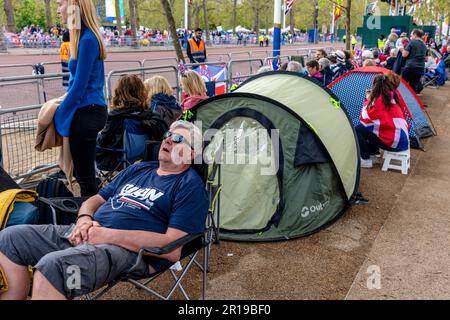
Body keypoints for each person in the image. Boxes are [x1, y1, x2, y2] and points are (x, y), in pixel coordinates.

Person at [0, 121, 208, 300]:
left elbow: (172, 248)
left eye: (178, 139)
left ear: (190, 154)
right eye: (168, 135)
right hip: (85, 232)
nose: (168, 140)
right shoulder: (138, 169)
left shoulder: (189, 186)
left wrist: (106, 235)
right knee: (9, 239)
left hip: (130, 253)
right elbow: (95, 199)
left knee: (53, 267)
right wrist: (83, 219)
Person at [54, 0, 108, 197]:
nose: (58, 9)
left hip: (88, 111)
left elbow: (78, 87)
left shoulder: (87, 40)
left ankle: (89, 220)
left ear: (73, 7)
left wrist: (59, 113)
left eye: (60, 4)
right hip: (88, 109)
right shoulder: (83, 37)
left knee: (85, 178)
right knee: (83, 174)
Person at [96, 75, 167, 171]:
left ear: (119, 92)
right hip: (146, 159)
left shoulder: (116, 117)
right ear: (141, 92)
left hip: (118, 161)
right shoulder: (152, 116)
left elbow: (102, 142)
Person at [356, 73, 409, 168]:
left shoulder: (380, 100)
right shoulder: (392, 96)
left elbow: (364, 117)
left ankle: (365, 159)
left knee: (358, 129)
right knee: (373, 127)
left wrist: (368, 99)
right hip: (401, 140)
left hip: (393, 143)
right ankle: (372, 154)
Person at [400, 29, 427, 94]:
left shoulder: (412, 42)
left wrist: (400, 49)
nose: (410, 36)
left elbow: (404, 55)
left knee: (403, 84)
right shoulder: (424, 45)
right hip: (420, 67)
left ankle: (401, 99)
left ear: (415, 35)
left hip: (410, 66)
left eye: (411, 35)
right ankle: (412, 101)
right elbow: (426, 58)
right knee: (414, 86)